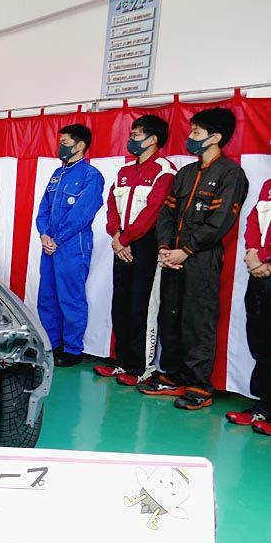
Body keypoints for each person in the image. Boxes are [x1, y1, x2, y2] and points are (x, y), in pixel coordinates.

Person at [139, 108, 249, 410]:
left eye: (196, 133)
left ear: (215, 137)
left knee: (198, 320)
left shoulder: (231, 174)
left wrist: (186, 250)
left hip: (202, 259)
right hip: (172, 256)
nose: (190, 137)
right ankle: (172, 376)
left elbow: (221, 221)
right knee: (170, 316)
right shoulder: (185, 173)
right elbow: (166, 213)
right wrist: (165, 247)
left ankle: (199, 385)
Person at [93, 115, 176, 386]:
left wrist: (126, 239)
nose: (132, 138)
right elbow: (111, 205)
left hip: (146, 245)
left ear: (153, 139)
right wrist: (116, 236)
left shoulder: (165, 171)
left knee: (142, 305)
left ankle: (141, 367)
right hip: (122, 243)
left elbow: (153, 211)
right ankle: (122, 361)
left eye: (137, 134)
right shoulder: (124, 171)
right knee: (121, 303)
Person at [35, 124, 105, 368]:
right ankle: (53, 344)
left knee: (71, 297)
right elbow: (44, 209)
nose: (60, 147)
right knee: (47, 296)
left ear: (80, 145)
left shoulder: (91, 176)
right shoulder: (57, 174)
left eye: (65, 143)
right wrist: (44, 234)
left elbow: (82, 214)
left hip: (73, 246)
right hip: (50, 245)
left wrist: (58, 238)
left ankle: (73, 349)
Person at [225, 176, 271, 435]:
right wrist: (254, 253)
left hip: (266, 263)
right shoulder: (268, 185)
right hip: (260, 272)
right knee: (261, 339)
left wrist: (264, 256)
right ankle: (264, 405)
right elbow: (253, 221)